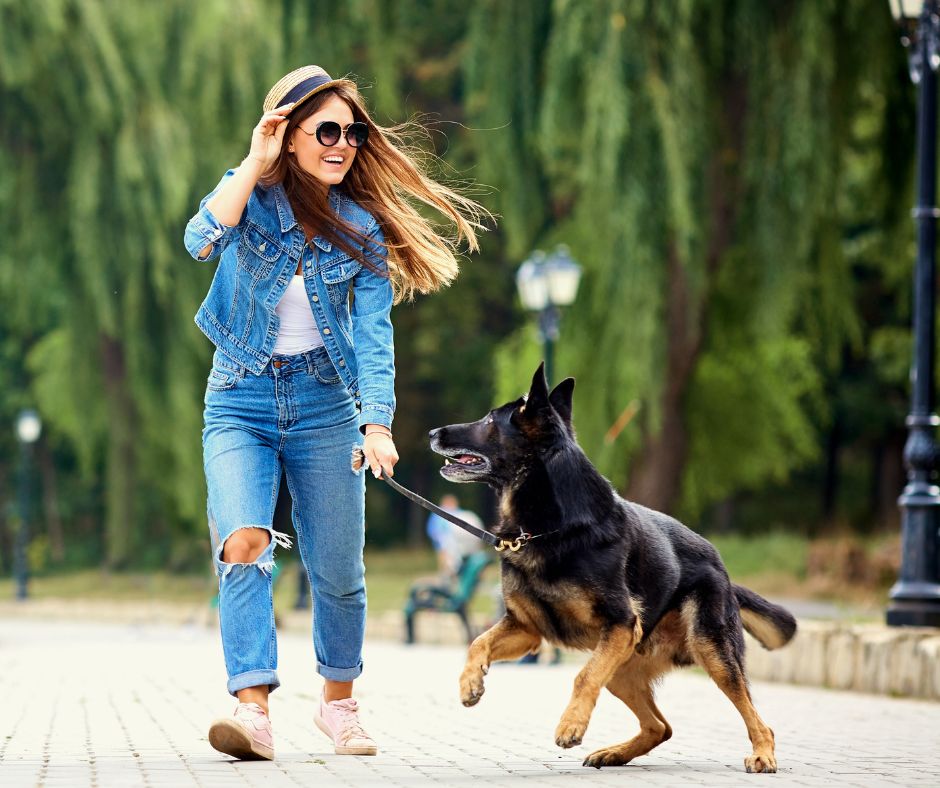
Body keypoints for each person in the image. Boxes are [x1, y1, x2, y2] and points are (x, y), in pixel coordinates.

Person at [183, 65, 488, 761]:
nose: (342, 143)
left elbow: (376, 334)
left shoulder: (362, 226)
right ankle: (252, 710)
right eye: (327, 130)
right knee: (243, 543)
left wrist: (376, 423)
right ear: (288, 137)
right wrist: (253, 163)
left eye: (353, 132)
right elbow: (199, 239)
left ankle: (338, 707)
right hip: (240, 399)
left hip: (327, 407)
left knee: (338, 570)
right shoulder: (248, 199)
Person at [425, 495, 484, 578]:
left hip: (461, 543)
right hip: (444, 543)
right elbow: (434, 530)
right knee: (445, 560)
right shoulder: (438, 514)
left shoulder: (460, 513)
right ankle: (446, 577)